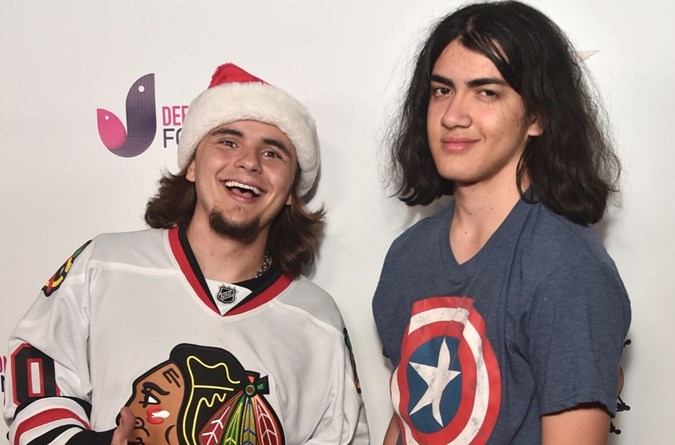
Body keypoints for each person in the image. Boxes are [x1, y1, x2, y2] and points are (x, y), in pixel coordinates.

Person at [4, 62, 369, 445]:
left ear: (292, 190)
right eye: (228, 141)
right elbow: (35, 373)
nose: (248, 162)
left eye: (273, 153)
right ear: (192, 164)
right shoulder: (104, 264)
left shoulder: (318, 320)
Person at [372, 1, 631, 444]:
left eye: (486, 91)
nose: (454, 115)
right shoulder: (406, 255)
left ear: (537, 116)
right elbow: (408, 420)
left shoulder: (566, 268)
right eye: (441, 90)